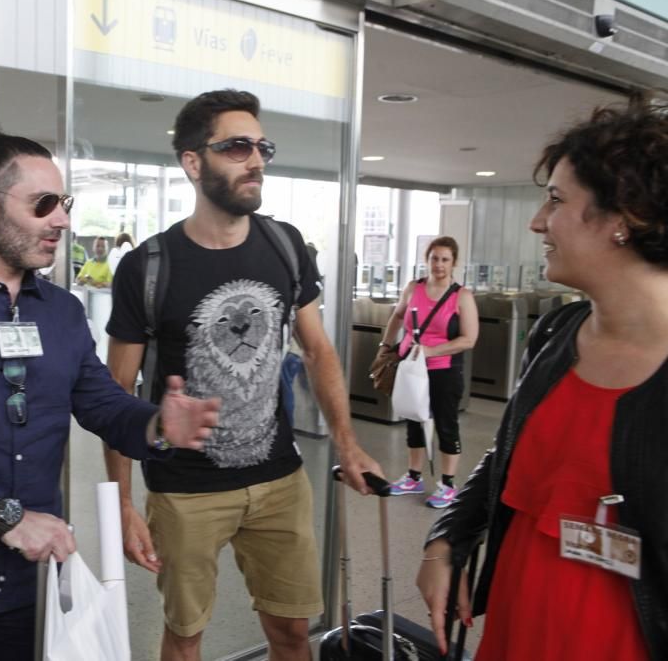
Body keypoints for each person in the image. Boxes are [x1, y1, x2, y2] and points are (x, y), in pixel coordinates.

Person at [0, 116, 221, 661]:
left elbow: (99, 400)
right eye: (44, 204)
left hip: (32, 587)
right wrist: (8, 518)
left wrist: (157, 425)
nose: (62, 222)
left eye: (65, 204)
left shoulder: (61, 311)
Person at [104, 89, 383, 661]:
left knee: (291, 633)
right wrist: (123, 505)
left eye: (262, 147)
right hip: (184, 490)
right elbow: (115, 394)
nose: (255, 160)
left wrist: (349, 444)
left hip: (281, 480)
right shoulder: (148, 266)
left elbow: (319, 351)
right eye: (236, 147)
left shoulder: (284, 247)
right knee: (186, 635)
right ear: (192, 162)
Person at [416, 100, 668, 660]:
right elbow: (509, 454)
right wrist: (449, 537)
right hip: (517, 620)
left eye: (556, 200)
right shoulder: (557, 332)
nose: (537, 221)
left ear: (625, 216)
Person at [376, 236, 478, 508]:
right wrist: (386, 345)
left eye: (445, 259)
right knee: (413, 420)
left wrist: (431, 352)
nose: (439, 264)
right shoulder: (413, 288)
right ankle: (413, 477)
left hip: (444, 370)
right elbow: (398, 316)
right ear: (427, 260)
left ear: (454, 263)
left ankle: (447, 483)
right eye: (434, 258)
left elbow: (469, 339)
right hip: (411, 368)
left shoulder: (462, 296)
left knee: (445, 424)